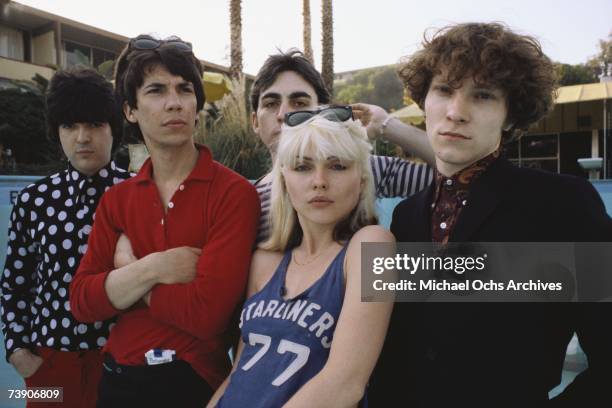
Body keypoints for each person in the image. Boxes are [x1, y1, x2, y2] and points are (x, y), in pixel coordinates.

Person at [370, 22, 612, 407]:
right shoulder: (405, 217)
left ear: (511, 116)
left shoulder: (563, 205)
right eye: (444, 90)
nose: (456, 112)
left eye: (482, 95)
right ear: (424, 100)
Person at [69, 35, 259, 407]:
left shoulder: (233, 193)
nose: (175, 102)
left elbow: (206, 316)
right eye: (156, 90)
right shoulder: (117, 200)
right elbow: (82, 303)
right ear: (130, 111)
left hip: (191, 381)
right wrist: (152, 268)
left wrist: (127, 277)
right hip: (118, 378)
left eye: (184, 89)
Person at [208, 110, 395, 407]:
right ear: (284, 179)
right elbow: (239, 372)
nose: (319, 181)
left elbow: (345, 383)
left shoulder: (372, 247)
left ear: (360, 179)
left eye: (337, 166)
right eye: (303, 167)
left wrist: (389, 124)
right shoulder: (263, 262)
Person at [0, 67, 131, 407]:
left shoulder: (139, 194)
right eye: (70, 126)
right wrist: (17, 352)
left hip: (123, 366)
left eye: (94, 124)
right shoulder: (34, 200)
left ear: (112, 128)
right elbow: (15, 284)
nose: (82, 137)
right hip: (48, 370)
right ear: (56, 131)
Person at [248, 50, 435, 243]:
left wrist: (386, 125)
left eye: (299, 102)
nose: (283, 114)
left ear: (324, 113)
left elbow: (456, 176)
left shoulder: (363, 169)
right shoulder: (244, 200)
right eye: (271, 103)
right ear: (255, 121)